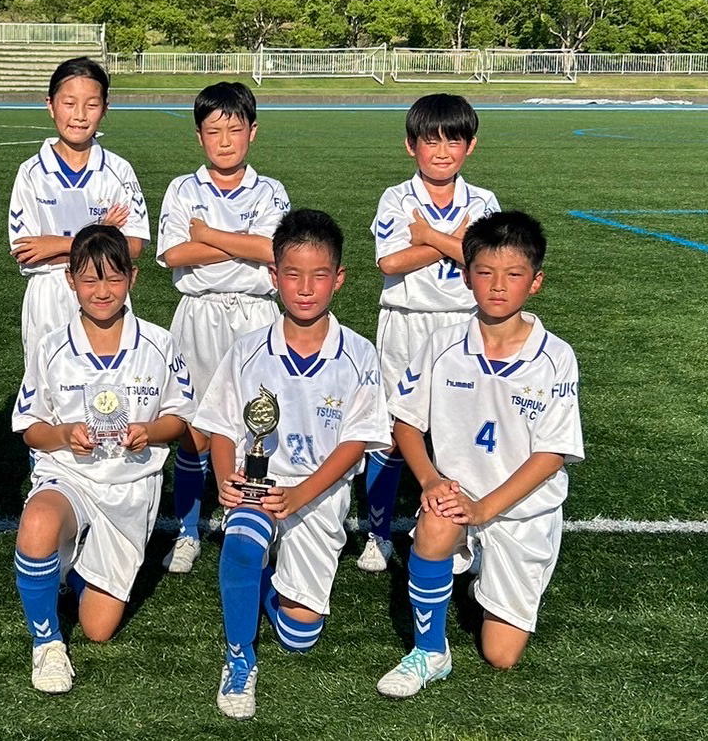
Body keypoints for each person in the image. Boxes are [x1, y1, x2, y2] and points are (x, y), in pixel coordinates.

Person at [376, 211, 583, 698]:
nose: (498, 286)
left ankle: (480, 576)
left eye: (514, 274)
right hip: (458, 496)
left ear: (535, 282)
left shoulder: (556, 357)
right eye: (485, 272)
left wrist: (485, 509)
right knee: (437, 518)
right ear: (466, 276)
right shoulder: (442, 343)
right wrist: (430, 480)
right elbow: (406, 422)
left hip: (521, 512)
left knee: (500, 655)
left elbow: (552, 453)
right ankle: (430, 651)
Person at [195, 209, 390, 720]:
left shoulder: (360, 355)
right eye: (293, 274)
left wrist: (301, 494)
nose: (305, 288)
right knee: (242, 541)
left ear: (339, 279)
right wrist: (227, 478)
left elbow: (358, 441)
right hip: (260, 484)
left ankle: (264, 580)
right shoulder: (247, 350)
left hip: (318, 495)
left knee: (298, 635)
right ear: (273, 275)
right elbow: (222, 426)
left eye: (319, 275)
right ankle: (239, 657)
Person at [11, 225, 195, 694]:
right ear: (70, 280)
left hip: (130, 485)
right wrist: (63, 434)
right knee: (38, 521)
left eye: (113, 278)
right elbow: (30, 427)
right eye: (90, 280)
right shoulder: (52, 346)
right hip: (69, 473)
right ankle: (47, 644)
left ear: (132, 277)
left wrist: (150, 432)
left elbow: (180, 418)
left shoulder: (159, 344)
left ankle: (72, 565)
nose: (102, 291)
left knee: (97, 629)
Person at [358, 93, 500, 573]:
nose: (442, 152)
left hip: (464, 323)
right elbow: (390, 262)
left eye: (453, 142)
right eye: (430, 142)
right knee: (393, 431)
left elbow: (486, 260)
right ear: (410, 145)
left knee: (461, 427)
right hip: (406, 321)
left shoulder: (483, 201)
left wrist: (429, 236)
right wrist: (457, 242)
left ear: (470, 146)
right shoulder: (397, 198)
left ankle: (465, 531)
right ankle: (378, 534)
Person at [155, 81, 289, 574]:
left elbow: (273, 249)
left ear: (253, 131)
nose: (225, 140)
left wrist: (209, 235)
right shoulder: (182, 188)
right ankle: (188, 530)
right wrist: (243, 242)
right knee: (194, 427)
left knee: (258, 421)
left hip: (256, 315)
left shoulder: (270, 190)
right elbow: (174, 253)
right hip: (198, 313)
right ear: (199, 136)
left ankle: (250, 522)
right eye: (214, 131)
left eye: (235, 129)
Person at [8, 57, 149, 367]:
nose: (80, 115)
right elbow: (27, 252)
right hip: (47, 293)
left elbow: (134, 246)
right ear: (50, 105)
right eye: (69, 103)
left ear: (105, 108)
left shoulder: (119, 171)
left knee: (109, 380)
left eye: (92, 105)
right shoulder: (31, 172)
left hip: (105, 290)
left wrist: (58, 244)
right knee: (48, 381)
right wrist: (103, 234)